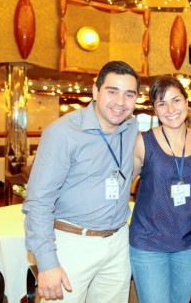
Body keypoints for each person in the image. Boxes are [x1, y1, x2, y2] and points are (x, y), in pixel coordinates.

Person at [22, 61, 140, 302]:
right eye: (112, 91)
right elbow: (38, 202)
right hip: (72, 243)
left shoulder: (131, 127)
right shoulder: (63, 133)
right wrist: (46, 263)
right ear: (95, 92)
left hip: (117, 243)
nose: (120, 102)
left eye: (129, 94)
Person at [129, 75, 191, 303]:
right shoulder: (143, 141)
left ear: (186, 102)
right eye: (162, 103)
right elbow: (123, 186)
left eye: (176, 100)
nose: (170, 109)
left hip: (189, 240)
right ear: (154, 109)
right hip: (149, 240)